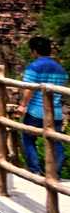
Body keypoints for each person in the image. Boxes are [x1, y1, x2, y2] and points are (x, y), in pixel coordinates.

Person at [21, 36, 68, 176]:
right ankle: (55, 173)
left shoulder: (34, 66)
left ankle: (35, 170)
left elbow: (29, 88)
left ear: (34, 51)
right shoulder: (60, 69)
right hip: (57, 113)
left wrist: (23, 105)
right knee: (56, 142)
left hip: (36, 112)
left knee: (28, 138)